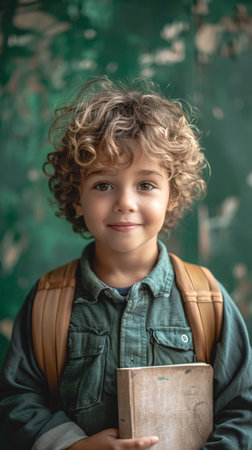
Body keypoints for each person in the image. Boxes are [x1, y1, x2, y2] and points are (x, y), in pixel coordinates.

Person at [0, 77, 251, 450]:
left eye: (146, 185)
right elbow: (18, 402)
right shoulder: (48, 302)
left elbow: (242, 408)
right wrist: (73, 445)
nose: (125, 202)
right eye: (103, 185)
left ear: (172, 194)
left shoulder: (206, 298)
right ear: (77, 198)